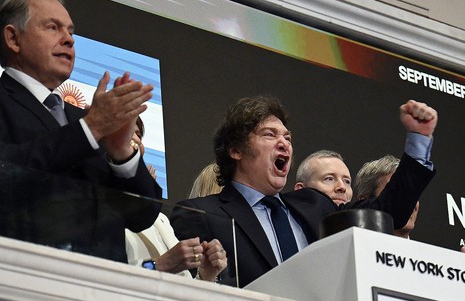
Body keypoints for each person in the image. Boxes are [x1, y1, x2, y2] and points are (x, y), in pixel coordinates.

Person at [170, 95, 437, 288]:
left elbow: (388, 213)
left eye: (287, 137)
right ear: (235, 150)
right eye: (269, 135)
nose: (284, 144)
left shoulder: (315, 205)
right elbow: (184, 291)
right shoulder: (201, 214)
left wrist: (419, 141)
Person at [0, 0, 161, 262]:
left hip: (107, 289)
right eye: (53, 28)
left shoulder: (86, 120)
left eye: (71, 32)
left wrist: (121, 154)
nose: (69, 40)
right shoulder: (88, 125)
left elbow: (143, 216)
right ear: (13, 38)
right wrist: (91, 128)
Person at [125, 123, 227, 281]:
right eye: (124, 130)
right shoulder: (95, 209)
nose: (135, 139)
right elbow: (101, 276)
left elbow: (184, 292)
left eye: (138, 134)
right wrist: (160, 265)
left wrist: (205, 276)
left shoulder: (161, 220)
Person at [354, 154, 419, 239]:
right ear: (365, 201)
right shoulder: (351, 249)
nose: (409, 202)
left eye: (411, 194)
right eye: (396, 193)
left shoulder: (430, 252)